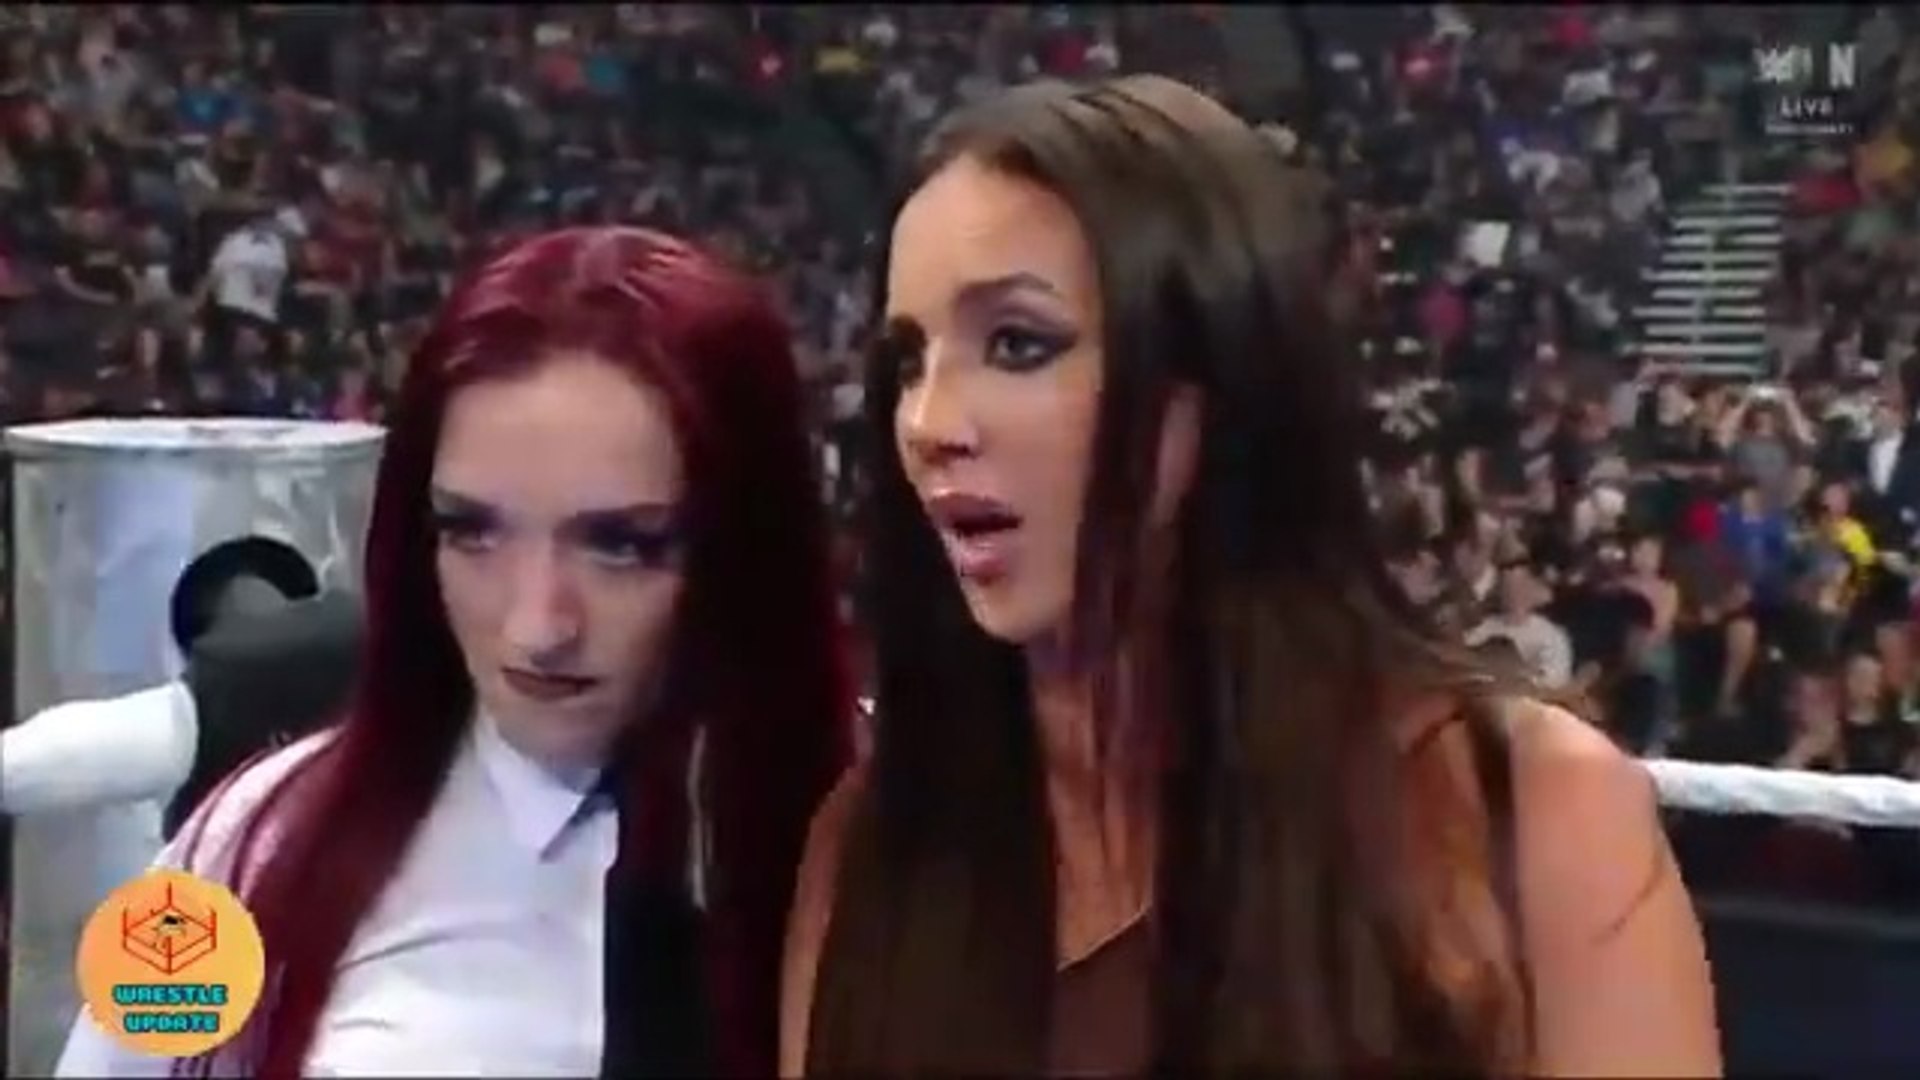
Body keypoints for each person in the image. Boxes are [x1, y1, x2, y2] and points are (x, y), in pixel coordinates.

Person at [782, 76, 1718, 1076]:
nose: (929, 424)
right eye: (907, 362)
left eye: (1017, 344)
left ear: (1219, 377)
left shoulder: (1533, 822)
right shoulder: (873, 847)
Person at [57, 227, 852, 1077]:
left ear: (746, 543)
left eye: (622, 546)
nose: (537, 626)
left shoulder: (899, 832)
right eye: (471, 533)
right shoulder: (254, 843)